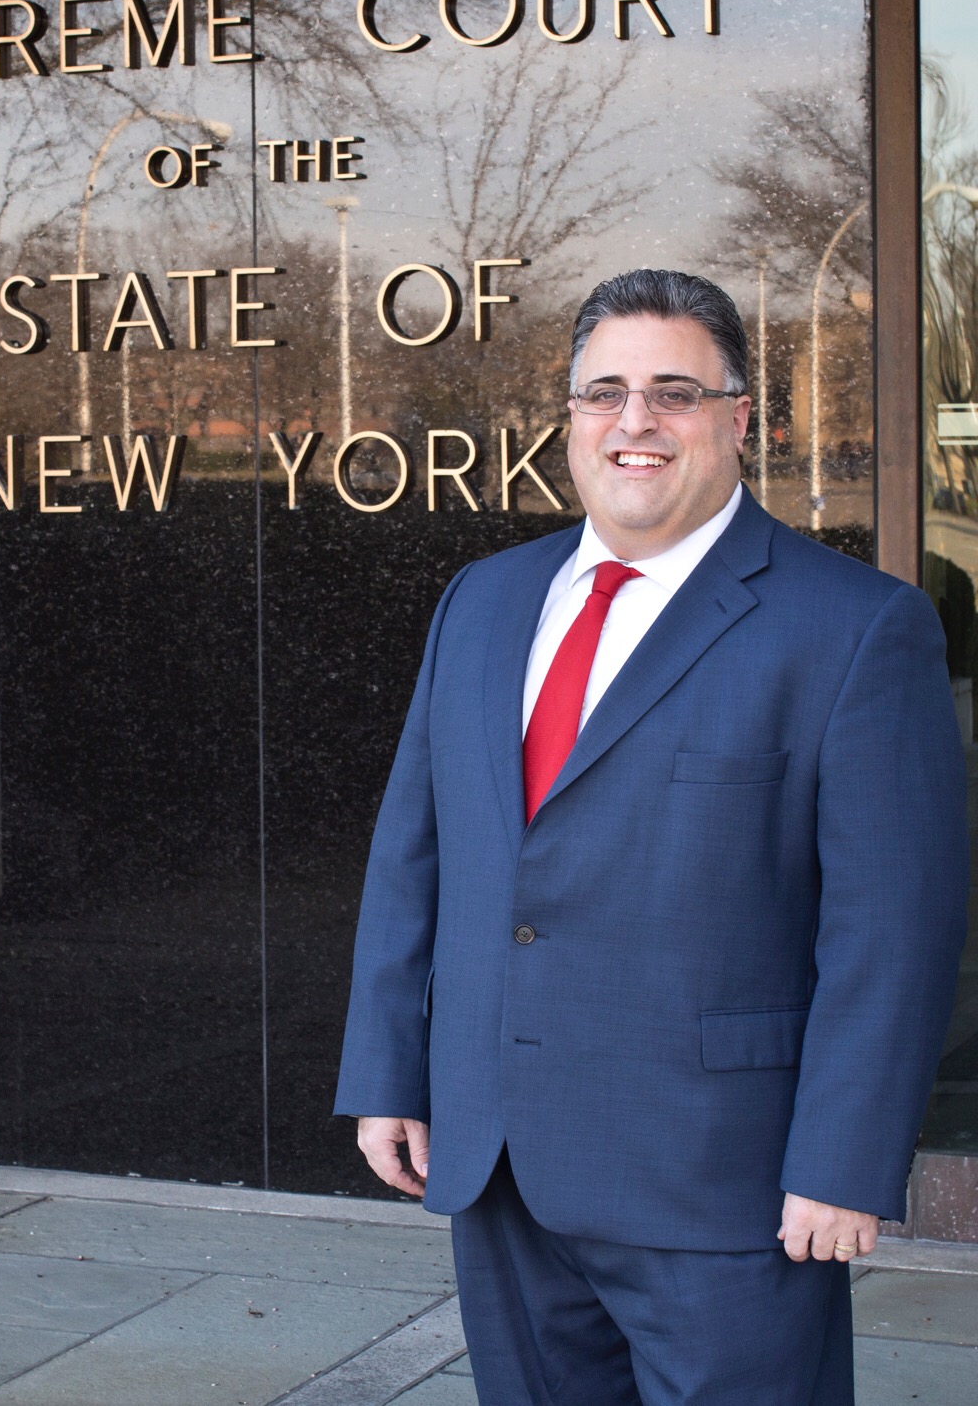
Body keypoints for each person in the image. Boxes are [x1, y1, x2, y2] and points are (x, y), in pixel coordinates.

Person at [334, 268, 969, 1405]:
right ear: (570, 419)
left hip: (724, 1180)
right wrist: (389, 1069)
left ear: (739, 419)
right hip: (501, 1164)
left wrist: (844, 1163)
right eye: (604, 392)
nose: (635, 422)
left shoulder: (856, 628)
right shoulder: (482, 599)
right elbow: (415, 854)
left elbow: (894, 930)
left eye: (674, 391)